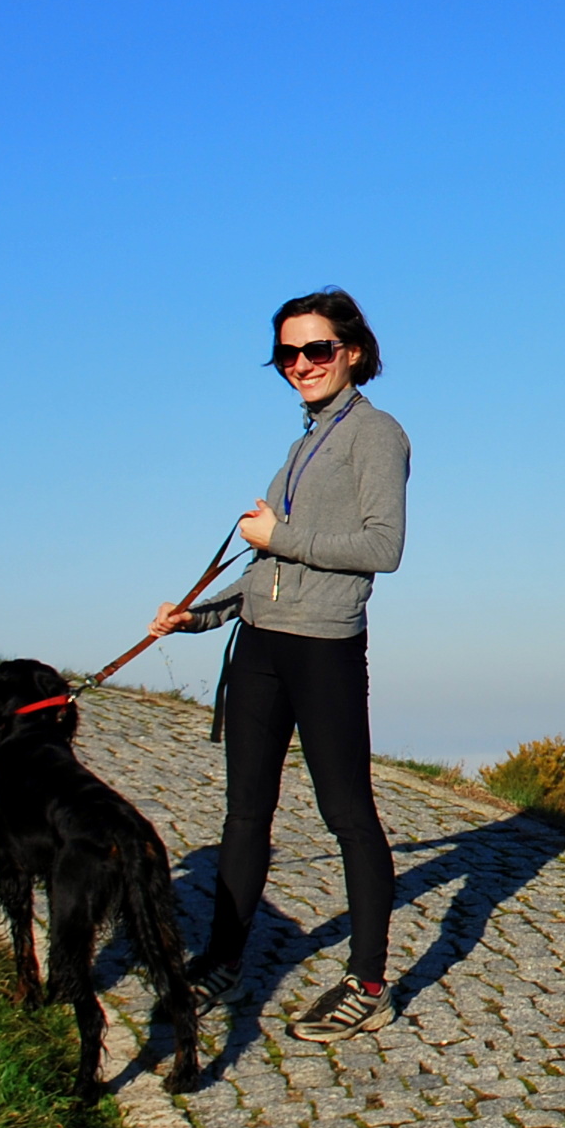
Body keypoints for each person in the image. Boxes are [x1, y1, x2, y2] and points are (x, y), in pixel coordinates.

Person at [149, 287, 411, 1043]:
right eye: (287, 353)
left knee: (349, 816)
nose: (301, 363)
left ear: (351, 352)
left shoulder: (377, 434)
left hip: (324, 649)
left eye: (316, 349)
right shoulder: (306, 441)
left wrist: (279, 537)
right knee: (244, 814)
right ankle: (223, 962)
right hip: (260, 645)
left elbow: (383, 549)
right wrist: (199, 615)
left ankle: (367, 983)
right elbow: (268, 567)